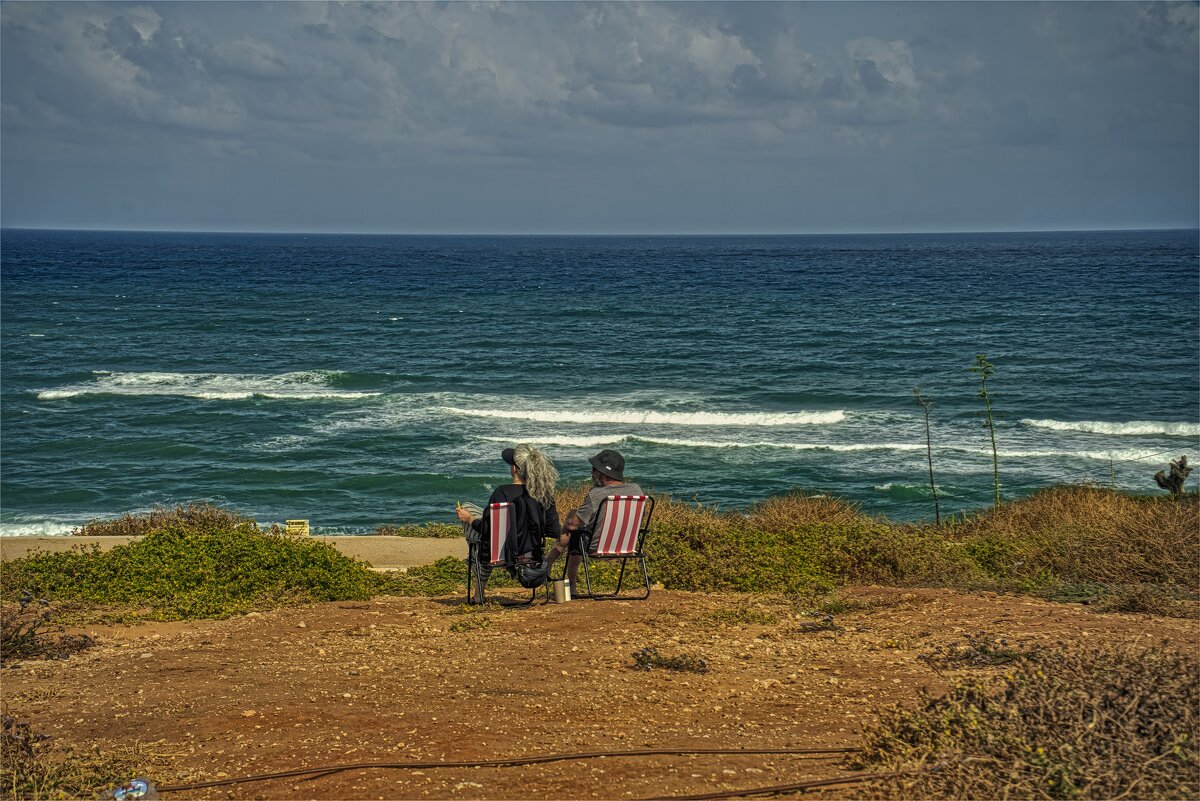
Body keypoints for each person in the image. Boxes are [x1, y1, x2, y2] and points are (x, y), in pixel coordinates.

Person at [455, 444, 561, 603]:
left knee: (471, 518)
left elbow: (486, 530)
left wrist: (469, 519)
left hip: (500, 552)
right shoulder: (544, 495)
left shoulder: (502, 492)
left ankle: (479, 591)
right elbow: (554, 530)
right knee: (473, 510)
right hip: (530, 554)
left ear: (515, 469)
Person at [543, 449, 643, 593]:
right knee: (577, 526)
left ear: (603, 473)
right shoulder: (636, 490)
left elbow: (572, 525)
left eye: (594, 469)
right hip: (627, 545)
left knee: (573, 528)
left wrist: (573, 514)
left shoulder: (597, 494)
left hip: (597, 547)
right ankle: (548, 564)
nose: (592, 473)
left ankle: (562, 578)